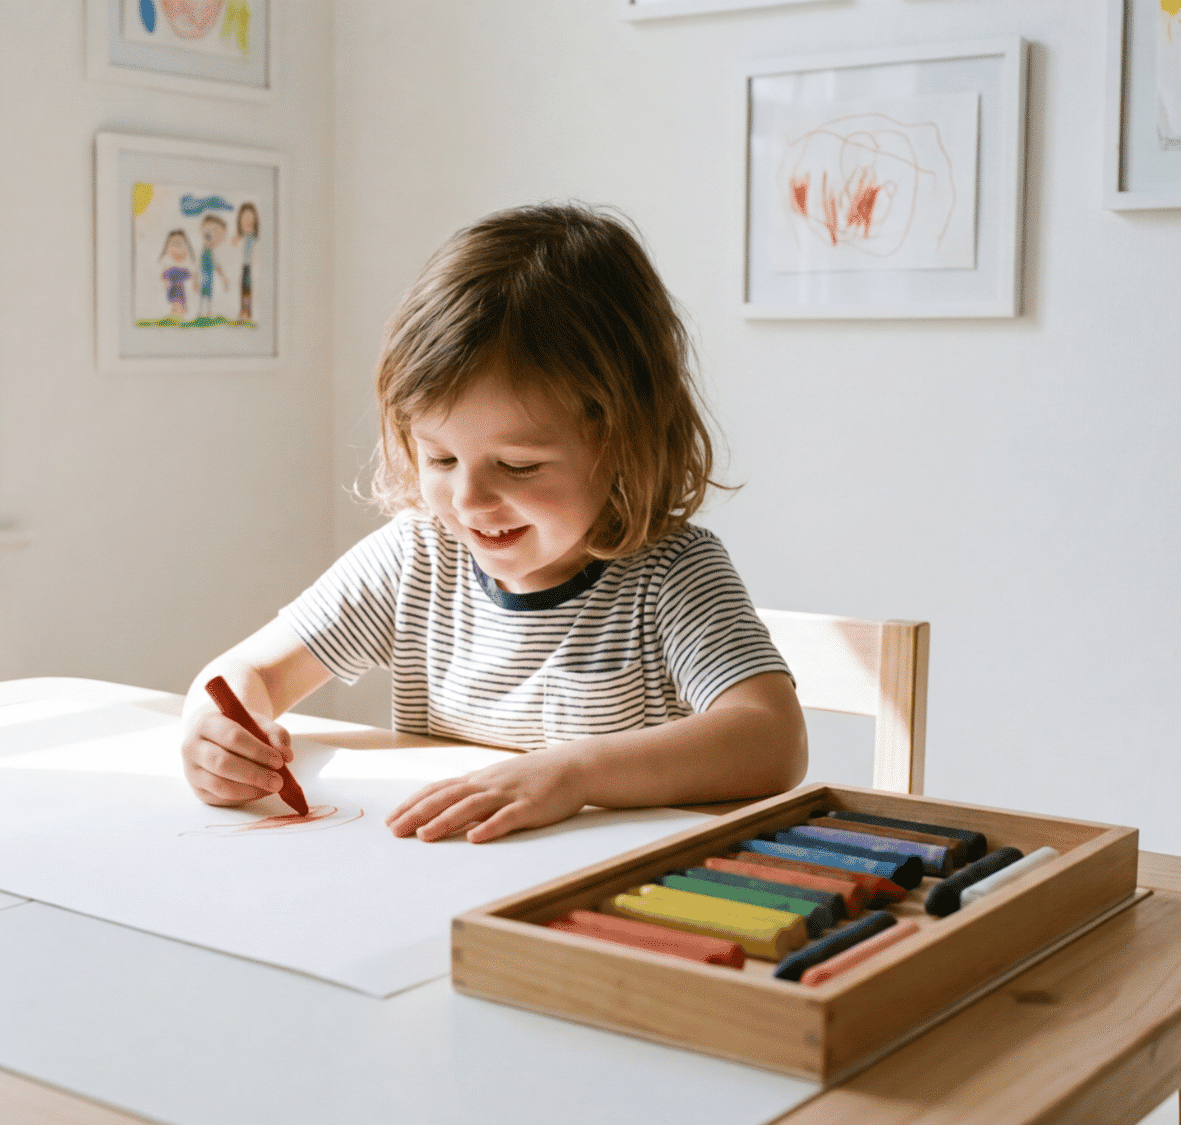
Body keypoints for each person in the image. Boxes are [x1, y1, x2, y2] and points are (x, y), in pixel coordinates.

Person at [180, 202, 806, 843]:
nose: (470, 499)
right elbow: (244, 676)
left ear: (624, 441)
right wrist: (217, 732)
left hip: (599, 905)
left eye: (520, 466)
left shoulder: (672, 574)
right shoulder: (414, 559)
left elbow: (773, 739)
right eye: (442, 457)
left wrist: (574, 775)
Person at [197, 213, 229, 320]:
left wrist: (223, 277)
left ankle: (208, 312)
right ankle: (201, 312)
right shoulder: (201, 251)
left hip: (209, 280)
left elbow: (217, 266)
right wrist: (195, 278)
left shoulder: (212, 254)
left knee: (208, 296)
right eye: (211, 230)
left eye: (218, 234)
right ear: (202, 228)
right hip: (203, 279)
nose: (212, 235)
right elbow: (197, 266)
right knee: (202, 296)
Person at [159, 229, 192, 320]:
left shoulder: (185, 267)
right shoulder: (169, 267)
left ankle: (179, 312)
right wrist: (166, 282)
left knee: (180, 302)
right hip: (173, 290)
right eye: (173, 244)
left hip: (180, 290)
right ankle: (177, 312)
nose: (177, 249)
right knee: (176, 302)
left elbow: (189, 275)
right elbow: (163, 277)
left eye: (180, 244)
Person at [235, 202, 260, 321]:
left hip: (249, 267)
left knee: (247, 291)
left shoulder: (253, 239)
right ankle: (243, 310)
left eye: (251, 218)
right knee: (243, 290)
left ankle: (247, 311)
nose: (248, 221)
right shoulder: (243, 238)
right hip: (244, 267)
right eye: (245, 218)